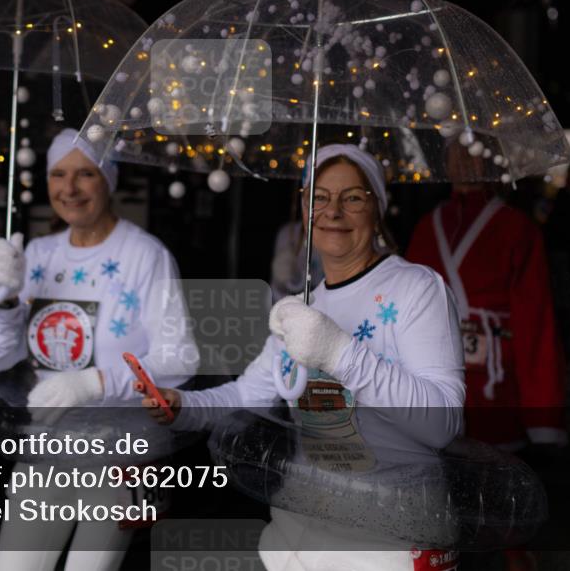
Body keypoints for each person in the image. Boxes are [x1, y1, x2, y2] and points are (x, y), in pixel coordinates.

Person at [142, 143, 466, 571]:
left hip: (388, 537)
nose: (333, 211)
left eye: (352, 197)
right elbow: (248, 394)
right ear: (303, 207)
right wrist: (183, 406)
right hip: (298, 527)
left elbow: (442, 423)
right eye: (320, 197)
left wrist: (337, 351)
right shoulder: (300, 309)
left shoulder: (417, 289)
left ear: (377, 208)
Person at [0, 128, 200, 571]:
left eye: (85, 173)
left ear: (109, 179)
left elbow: (180, 361)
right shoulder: (36, 254)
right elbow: (1, 358)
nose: (69, 188)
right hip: (46, 447)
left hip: (123, 454)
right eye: (58, 174)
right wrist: (2, 300)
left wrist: (95, 382)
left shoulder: (145, 255)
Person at [406, 142, 567, 451]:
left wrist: (541, 413)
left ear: (492, 160)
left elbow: (536, 325)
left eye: (473, 149)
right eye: (455, 151)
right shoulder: (427, 226)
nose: (464, 160)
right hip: (433, 375)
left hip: (497, 383)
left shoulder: (518, 228)